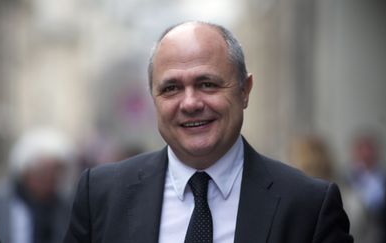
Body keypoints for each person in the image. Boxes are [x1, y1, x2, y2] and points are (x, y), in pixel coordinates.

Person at [63, 21, 353, 243]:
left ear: (245, 91)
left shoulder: (308, 207)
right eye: (171, 88)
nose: (190, 103)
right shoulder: (100, 195)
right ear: (153, 98)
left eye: (207, 84)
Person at [0, 128, 75, 243]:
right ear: (25, 171)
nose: (50, 178)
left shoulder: (68, 206)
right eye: (44, 172)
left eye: (57, 171)